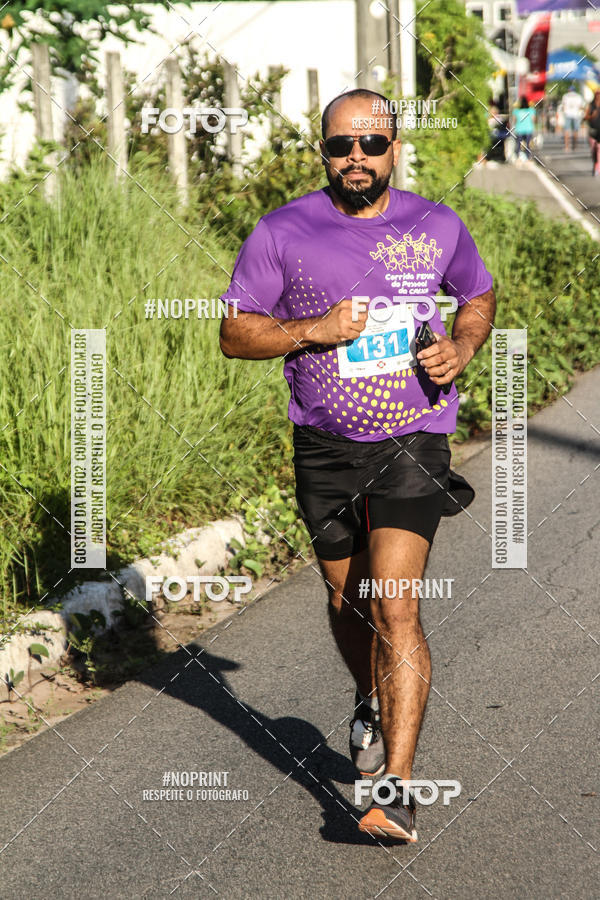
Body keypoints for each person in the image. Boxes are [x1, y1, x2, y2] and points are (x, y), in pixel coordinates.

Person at [218, 89, 496, 842]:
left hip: (416, 436)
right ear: (324, 151)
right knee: (354, 607)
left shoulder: (435, 224)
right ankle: (368, 703)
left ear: (394, 149)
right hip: (326, 449)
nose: (357, 159)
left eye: (372, 145)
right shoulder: (284, 231)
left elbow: (477, 293)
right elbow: (236, 334)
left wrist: (463, 346)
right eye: (342, 145)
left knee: (398, 606)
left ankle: (397, 789)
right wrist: (314, 329)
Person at [560, 85, 585, 151]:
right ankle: (575, 146)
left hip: (568, 114)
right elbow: (581, 106)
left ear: (569, 90)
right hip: (576, 114)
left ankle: (566, 147)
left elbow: (563, 106)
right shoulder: (578, 96)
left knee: (566, 130)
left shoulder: (565, 96)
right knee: (575, 130)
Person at [512, 95, 536, 161]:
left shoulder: (516, 111)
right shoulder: (531, 110)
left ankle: (517, 157)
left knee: (518, 144)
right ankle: (528, 157)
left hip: (519, 129)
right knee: (528, 145)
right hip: (528, 129)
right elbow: (533, 120)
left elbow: (514, 120)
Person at [584, 89, 600, 176]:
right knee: (594, 149)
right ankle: (595, 163)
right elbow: (585, 117)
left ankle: (598, 166)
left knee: (599, 148)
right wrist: (592, 116)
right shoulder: (591, 105)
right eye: (597, 94)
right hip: (593, 130)